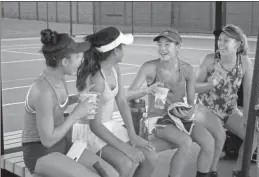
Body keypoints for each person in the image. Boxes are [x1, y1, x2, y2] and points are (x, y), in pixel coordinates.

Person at [22, 29, 118, 177]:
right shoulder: (43, 91)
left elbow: (56, 107)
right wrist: (76, 114)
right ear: (65, 62)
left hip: (62, 145)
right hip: (41, 154)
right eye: (78, 56)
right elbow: (47, 140)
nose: (82, 60)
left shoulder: (59, 78)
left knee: (111, 174)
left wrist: (75, 99)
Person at [127, 29, 215, 177]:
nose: (162, 49)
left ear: (178, 46)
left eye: (167, 44)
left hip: (179, 117)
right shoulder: (149, 67)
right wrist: (146, 91)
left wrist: (189, 111)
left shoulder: (187, 69)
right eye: (160, 44)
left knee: (209, 142)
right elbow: (128, 95)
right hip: (157, 120)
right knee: (185, 141)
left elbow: (192, 101)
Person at [76, 27, 158, 177]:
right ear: (115, 51)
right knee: (127, 163)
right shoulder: (96, 79)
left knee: (151, 158)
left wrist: (132, 135)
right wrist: (127, 149)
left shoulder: (114, 68)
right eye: (123, 47)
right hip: (90, 132)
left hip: (109, 127)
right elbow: (95, 126)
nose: (124, 50)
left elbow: (121, 101)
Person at [195, 24, 255, 177]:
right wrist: (209, 84)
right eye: (219, 39)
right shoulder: (210, 60)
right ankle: (211, 171)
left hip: (229, 110)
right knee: (219, 135)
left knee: (252, 137)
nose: (220, 43)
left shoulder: (245, 62)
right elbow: (193, 87)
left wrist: (247, 117)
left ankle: (240, 171)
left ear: (238, 44)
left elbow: (248, 93)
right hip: (206, 108)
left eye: (226, 40)